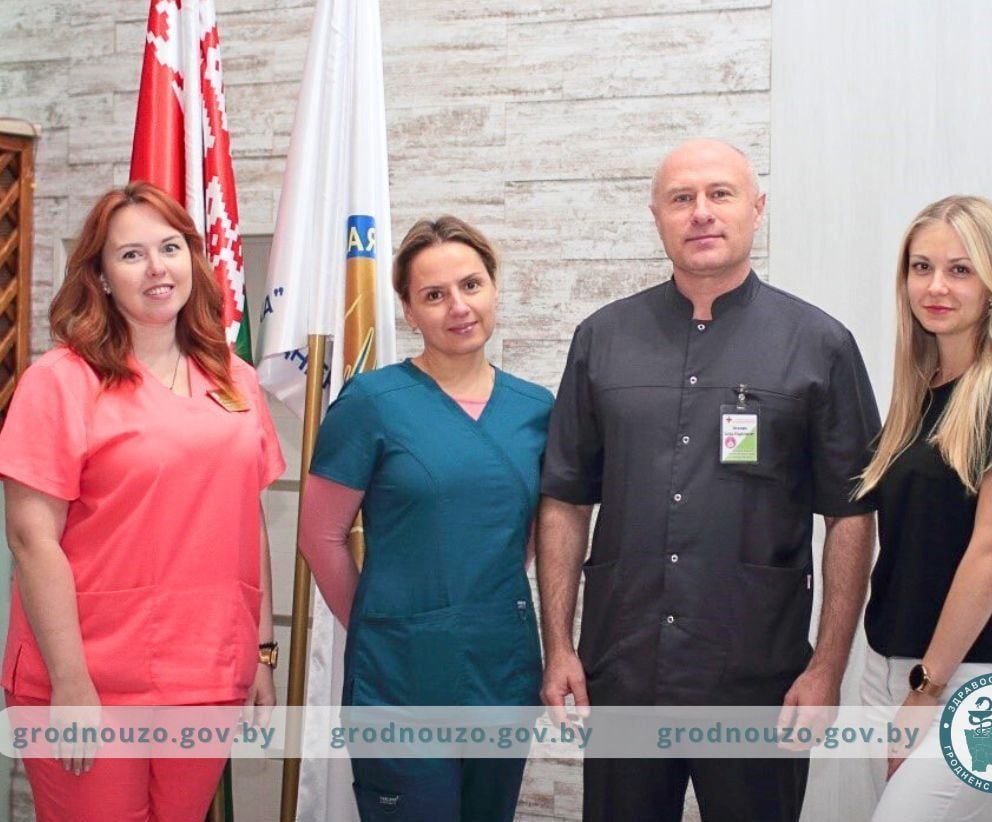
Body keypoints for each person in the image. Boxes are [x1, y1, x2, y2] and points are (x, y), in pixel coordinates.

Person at [536, 138, 881, 822]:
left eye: (720, 194)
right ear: (656, 217)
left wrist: (827, 666)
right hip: (624, 671)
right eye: (681, 198)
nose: (701, 212)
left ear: (757, 209)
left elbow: (851, 514)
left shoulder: (820, 344)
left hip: (759, 679)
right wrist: (560, 648)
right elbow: (566, 500)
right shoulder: (602, 338)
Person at [0, 182, 284, 821]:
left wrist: (261, 653)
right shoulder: (60, 381)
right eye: (131, 255)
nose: (157, 267)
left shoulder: (235, 379)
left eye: (170, 247)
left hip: (207, 673)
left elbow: (249, 520)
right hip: (87, 680)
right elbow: (30, 539)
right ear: (100, 276)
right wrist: (70, 682)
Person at [299, 216, 552, 821]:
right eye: (434, 295)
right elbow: (319, 536)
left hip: (500, 670)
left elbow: (524, 537)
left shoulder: (536, 409)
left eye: (471, 285)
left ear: (494, 289)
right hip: (400, 682)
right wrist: (384, 625)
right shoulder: (371, 403)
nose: (458, 307)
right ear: (409, 312)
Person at [856, 195, 992, 821]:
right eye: (921, 267)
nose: (936, 287)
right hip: (888, 665)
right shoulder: (917, 399)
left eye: (960, 269)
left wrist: (927, 689)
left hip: (971, 680)